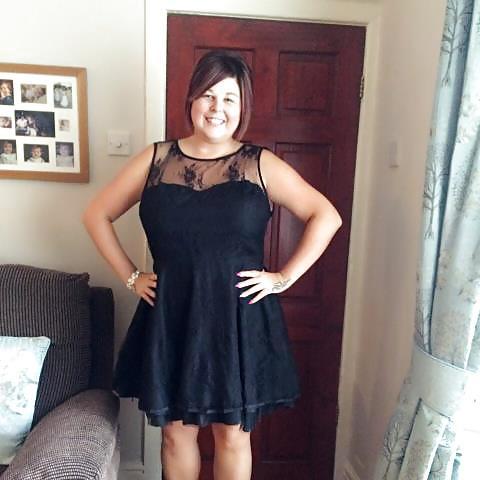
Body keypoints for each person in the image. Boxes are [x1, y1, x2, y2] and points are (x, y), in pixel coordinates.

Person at [82, 50, 342, 480]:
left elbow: (325, 216)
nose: (217, 107)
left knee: (232, 435)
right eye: (208, 95)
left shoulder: (259, 164)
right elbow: (96, 214)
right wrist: (131, 276)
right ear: (192, 99)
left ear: (242, 107)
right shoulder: (155, 159)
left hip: (237, 320)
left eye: (229, 98)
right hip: (172, 314)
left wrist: (283, 278)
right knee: (175, 434)